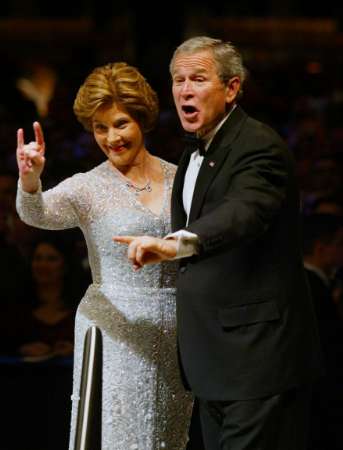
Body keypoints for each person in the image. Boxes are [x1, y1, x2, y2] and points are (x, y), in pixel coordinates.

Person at [114, 36, 323, 450]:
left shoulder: (258, 146)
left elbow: (244, 212)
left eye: (198, 79)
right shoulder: (195, 152)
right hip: (213, 361)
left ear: (231, 88)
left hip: (257, 359)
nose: (185, 90)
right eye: (178, 80)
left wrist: (178, 244)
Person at [16, 62, 192, 449]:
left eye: (120, 123)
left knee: (168, 437)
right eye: (100, 128)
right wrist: (30, 180)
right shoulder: (89, 186)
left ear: (142, 120)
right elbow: (37, 213)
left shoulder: (182, 178)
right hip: (112, 329)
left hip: (176, 328)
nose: (111, 137)